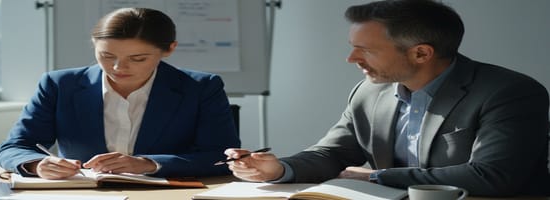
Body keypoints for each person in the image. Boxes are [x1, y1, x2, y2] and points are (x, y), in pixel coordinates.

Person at [224, 0, 550, 197]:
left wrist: (377, 176)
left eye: (364, 50)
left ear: (421, 53)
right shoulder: (369, 92)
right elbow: (333, 152)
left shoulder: (509, 92)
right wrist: (279, 169)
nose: (351, 59)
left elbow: (493, 177)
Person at [0, 7, 240, 179]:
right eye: (107, 56)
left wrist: (148, 164)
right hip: (80, 196)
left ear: (169, 49)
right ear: (94, 45)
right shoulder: (60, 84)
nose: (118, 68)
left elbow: (221, 156)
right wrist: (37, 164)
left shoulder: (201, 87)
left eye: (138, 58)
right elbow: (14, 147)